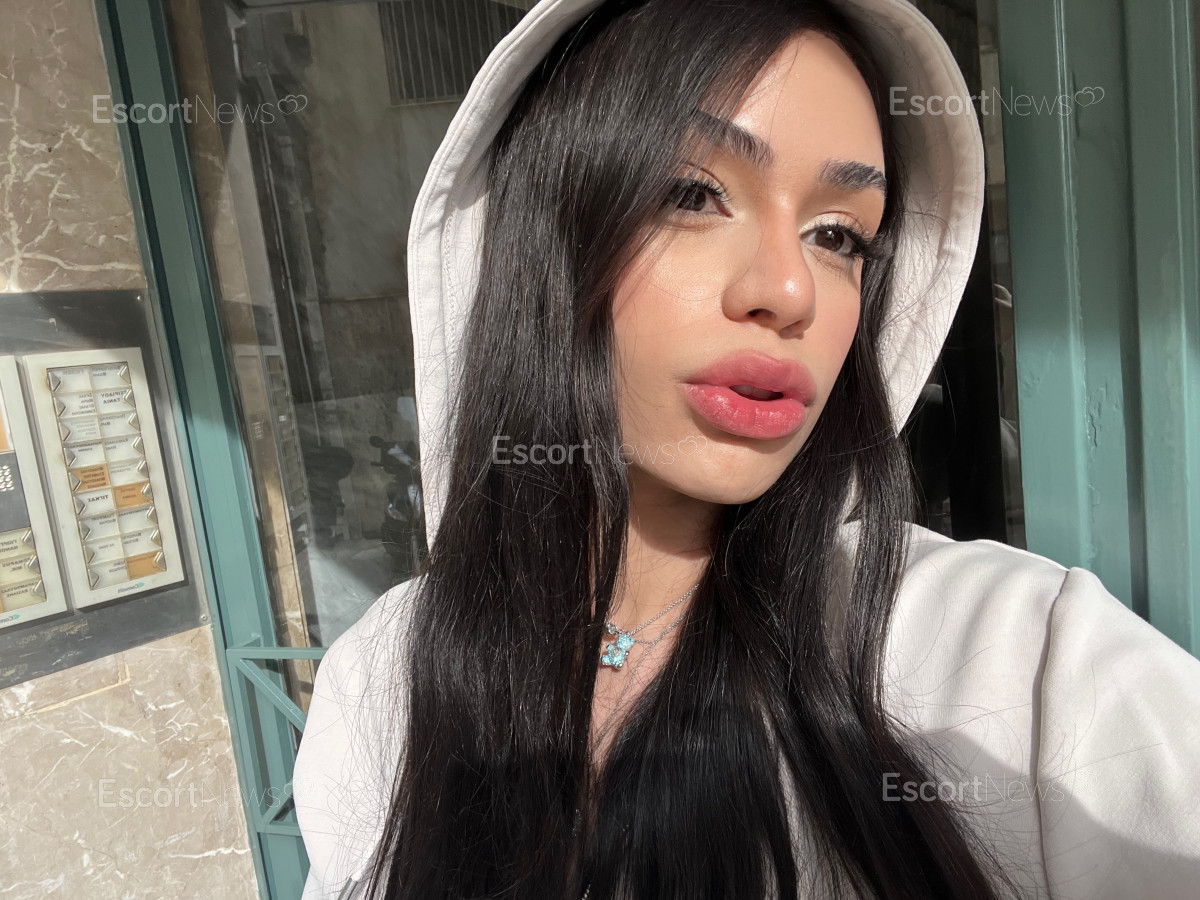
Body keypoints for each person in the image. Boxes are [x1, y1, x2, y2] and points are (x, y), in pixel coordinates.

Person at [292, 0, 1200, 897]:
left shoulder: (1016, 663)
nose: (791, 291)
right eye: (693, 193)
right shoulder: (382, 682)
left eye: (838, 236)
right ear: (546, 239)